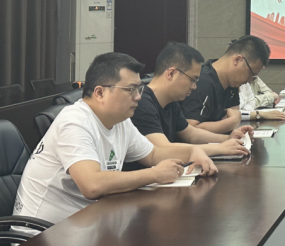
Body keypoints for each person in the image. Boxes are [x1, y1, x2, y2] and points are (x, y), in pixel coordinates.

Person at [13, 53, 217, 230]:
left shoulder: (120, 120)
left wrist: (192, 152)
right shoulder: (74, 122)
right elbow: (92, 185)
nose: (138, 97)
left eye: (139, 89)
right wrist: (154, 174)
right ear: (100, 92)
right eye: (130, 90)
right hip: (44, 233)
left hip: (86, 224)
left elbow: (153, 154)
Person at [131, 42, 254, 158]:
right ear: (171, 74)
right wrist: (219, 148)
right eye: (192, 80)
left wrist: (228, 139)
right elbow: (163, 148)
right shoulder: (142, 103)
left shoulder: (171, 102)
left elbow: (191, 134)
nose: (194, 87)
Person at [181, 36, 285, 134]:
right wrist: (231, 123)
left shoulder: (232, 83)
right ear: (237, 60)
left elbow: (233, 114)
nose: (248, 81)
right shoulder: (202, 82)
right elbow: (189, 129)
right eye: (250, 74)